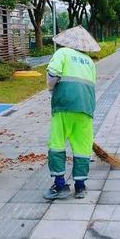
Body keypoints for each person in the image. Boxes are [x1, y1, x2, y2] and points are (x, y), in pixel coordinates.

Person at [44, 26, 100, 199]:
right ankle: (80, 186)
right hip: (86, 108)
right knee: (83, 147)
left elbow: (53, 74)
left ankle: (60, 185)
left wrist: (51, 90)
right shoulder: (90, 62)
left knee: (57, 144)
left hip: (64, 106)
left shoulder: (63, 53)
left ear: (67, 41)